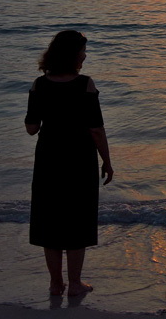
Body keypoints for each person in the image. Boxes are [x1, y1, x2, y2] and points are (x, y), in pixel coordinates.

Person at [25, 30, 114, 297]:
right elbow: (96, 129)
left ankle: (55, 284)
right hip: (78, 160)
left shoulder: (39, 85)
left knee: (49, 220)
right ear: (73, 55)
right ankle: (74, 283)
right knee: (77, 220)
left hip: (49, 159)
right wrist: (107, 161)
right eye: (83, 51)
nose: (85, 56)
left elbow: (31, 128)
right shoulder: (85, 84)